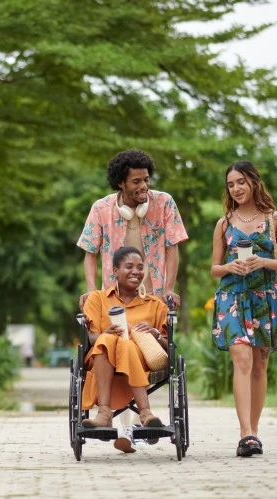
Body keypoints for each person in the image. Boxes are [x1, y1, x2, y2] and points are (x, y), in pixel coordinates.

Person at [77, 149, 188, 453]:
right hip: (115, 295)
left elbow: (172, 247)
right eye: (136, 181)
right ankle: (132, 425)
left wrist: (168, 287)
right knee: (115, 341)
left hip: (150, 295)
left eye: (146, 180)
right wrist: (90, 288)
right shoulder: (101, 209)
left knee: (124, 343)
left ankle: (121, 422)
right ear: (121, 184)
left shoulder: (163, 203)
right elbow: (89, 253)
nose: (143, 186)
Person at [210, 161, 277, 457]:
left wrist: (264, 262)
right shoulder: (224, 223)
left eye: (241, 182)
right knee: (242, 358)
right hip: (232, 296)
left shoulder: (275, 219)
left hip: (265, 298)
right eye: (231, 184)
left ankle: (255, 433)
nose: (236, 189)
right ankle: (244, 433)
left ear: (254, 183)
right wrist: (228, 266)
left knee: (260, 365)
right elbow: (214, 268)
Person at [81, 247, 168, 447]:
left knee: (126, 345)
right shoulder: (98, 299)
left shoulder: (155, 304)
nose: (136, 272)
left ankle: (105, 413)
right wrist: (106, 334)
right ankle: (143, 412)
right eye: (129, 266)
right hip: (103, 360)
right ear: (115, 271)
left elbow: (167, 344)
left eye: (140, 267)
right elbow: (91, 336)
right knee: (106, 340)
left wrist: (153, 333)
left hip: (141, 360)